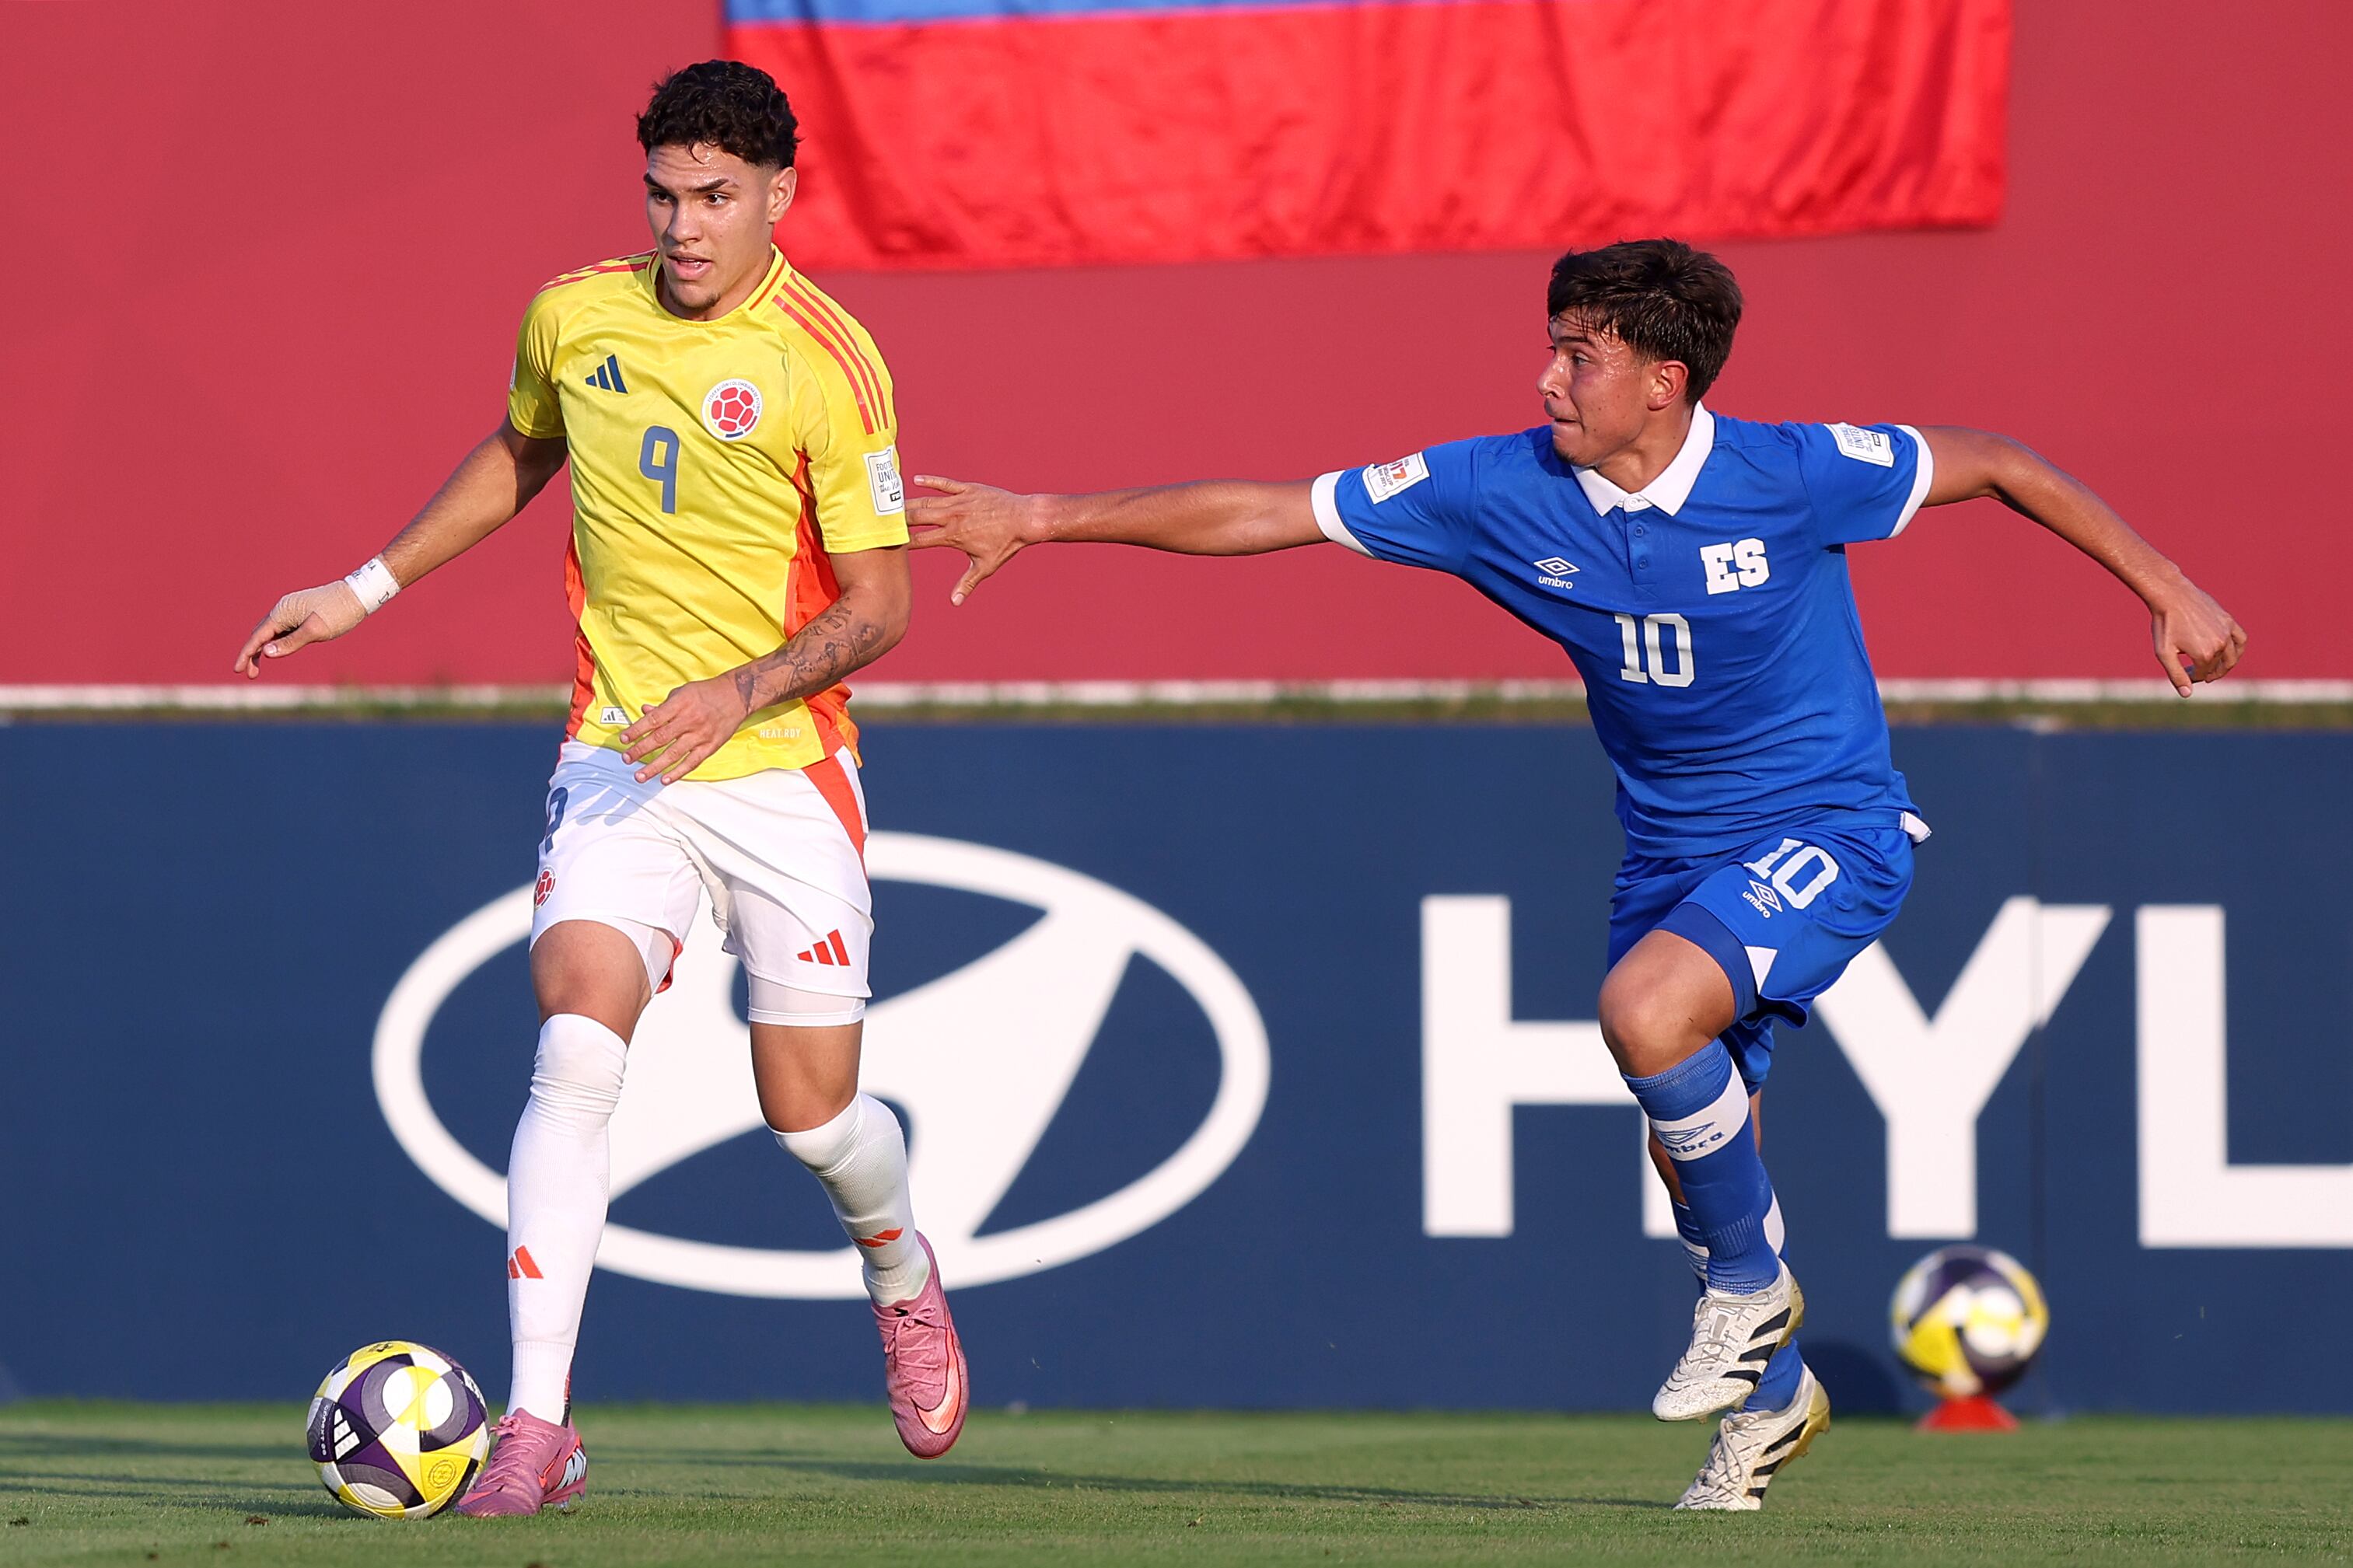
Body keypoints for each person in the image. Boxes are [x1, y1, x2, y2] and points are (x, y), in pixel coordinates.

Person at [906, 239, 2244, 1510]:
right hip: (1666, 849)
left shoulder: (1793, 471)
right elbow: (1275, 509)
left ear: (1665, 378)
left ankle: (1743, 1294)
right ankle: (1770, 1391)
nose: (1547, 379)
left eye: (1578, 356)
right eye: (1551, 349)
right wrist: (1041, 513)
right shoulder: (1500, 488)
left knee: (1646, 1016)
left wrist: (2165, 582)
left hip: (1829, 825)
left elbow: (2000, 463)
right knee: (1692, 1145)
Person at [232, 60, 967, 1516]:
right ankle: (538, 1425)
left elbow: (881, 605)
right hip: (620, 750)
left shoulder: (833, 360)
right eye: (664, 194)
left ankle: (896, 1265)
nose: (684, 227)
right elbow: (523, 451)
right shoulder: (574, 313)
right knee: (575, 1041)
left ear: (776, 197)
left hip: (777, 768)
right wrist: (363, 586)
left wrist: (743, 689)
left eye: (714, 198)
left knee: (811, 1115)